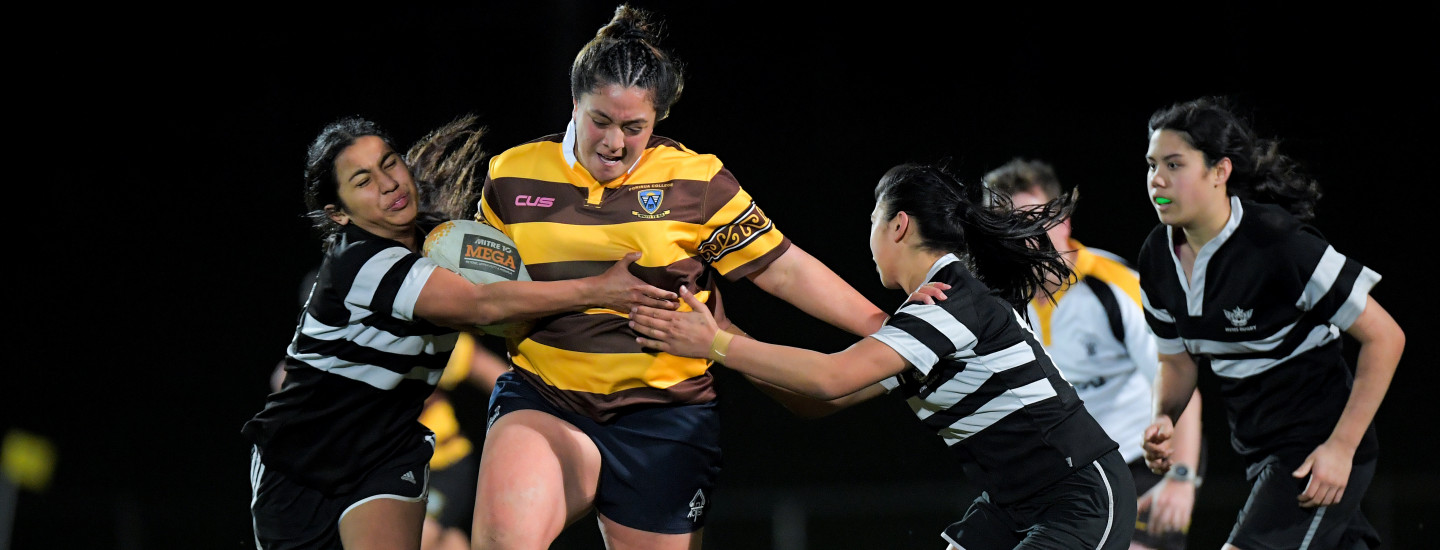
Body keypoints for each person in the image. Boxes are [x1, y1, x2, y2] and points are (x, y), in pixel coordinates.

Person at [469, 5, 891, 549]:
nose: (614, 143)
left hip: (666, 418)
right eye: (600, 120)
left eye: (634, 127)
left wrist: (885, 325)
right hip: (547, 397)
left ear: (658, 120)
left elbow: (784, 270)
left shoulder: (697, 181)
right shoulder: (510, 175)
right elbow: (485, 294)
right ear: (574, 101)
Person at [631, 161, 1137, 549]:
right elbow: (819, 402)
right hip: (1016, 504)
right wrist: (723, 334)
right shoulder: (928, 315)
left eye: (872, 221)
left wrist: (717, 343)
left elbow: (830, 377)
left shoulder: (951, 302)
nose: (868, 238)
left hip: (1080, 497)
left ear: (898, 226)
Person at [242, 114, 679, 550]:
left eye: (389, 163)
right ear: (338, 214)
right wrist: (599, 290)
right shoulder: (359, 263)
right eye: (363, 180)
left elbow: (519, 285)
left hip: (387, 453)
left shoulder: (446, 240)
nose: (390, 183)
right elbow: (483, 304)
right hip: (299, 460)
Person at [1137, 97, 1404, 550]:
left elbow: (1385, 337)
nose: (1157, 180)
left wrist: (1341, 449)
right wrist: (1165, 416)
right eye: (1151, 164)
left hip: (1315, 445)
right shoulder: (1156, 257)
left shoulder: (1277, 244)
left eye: (1175, 164)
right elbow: (1177, 362)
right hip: (1258, 450)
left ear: (1220, 171)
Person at [984, 158, 1203, 548]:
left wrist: (1182, 479)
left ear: (1063, 221)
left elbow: (1182, 387)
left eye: (1032, 220)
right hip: (1068, 474)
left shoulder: (1115, 287)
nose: (1020, 237)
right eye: (1006, 225)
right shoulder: (998, 299)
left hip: (1142, 463)